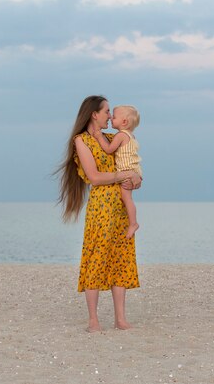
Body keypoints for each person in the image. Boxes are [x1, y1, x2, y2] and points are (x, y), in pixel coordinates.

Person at [55, 95, 142, 333]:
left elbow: (131, 168)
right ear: (94, 114)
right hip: (101, 206)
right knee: (96, 258)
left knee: (121, 258)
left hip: (121, 205)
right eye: (106, 111)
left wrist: (135, 178)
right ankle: (93, 320)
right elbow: (94, 177)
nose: (109, 116)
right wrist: (122, 176)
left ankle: (120, 319)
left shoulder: (115, 139)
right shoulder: (81, 141)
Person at [92, 105, 142, 239]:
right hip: (134, 170)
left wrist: (99, 136)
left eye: (114, 117)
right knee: (127, 199)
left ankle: (133, 223)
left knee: (127, 199)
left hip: (126, 171)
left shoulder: (120, 135)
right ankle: (132, 222)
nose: (111, 119)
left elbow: (109, 149)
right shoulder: (131, 136)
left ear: (124, 122)